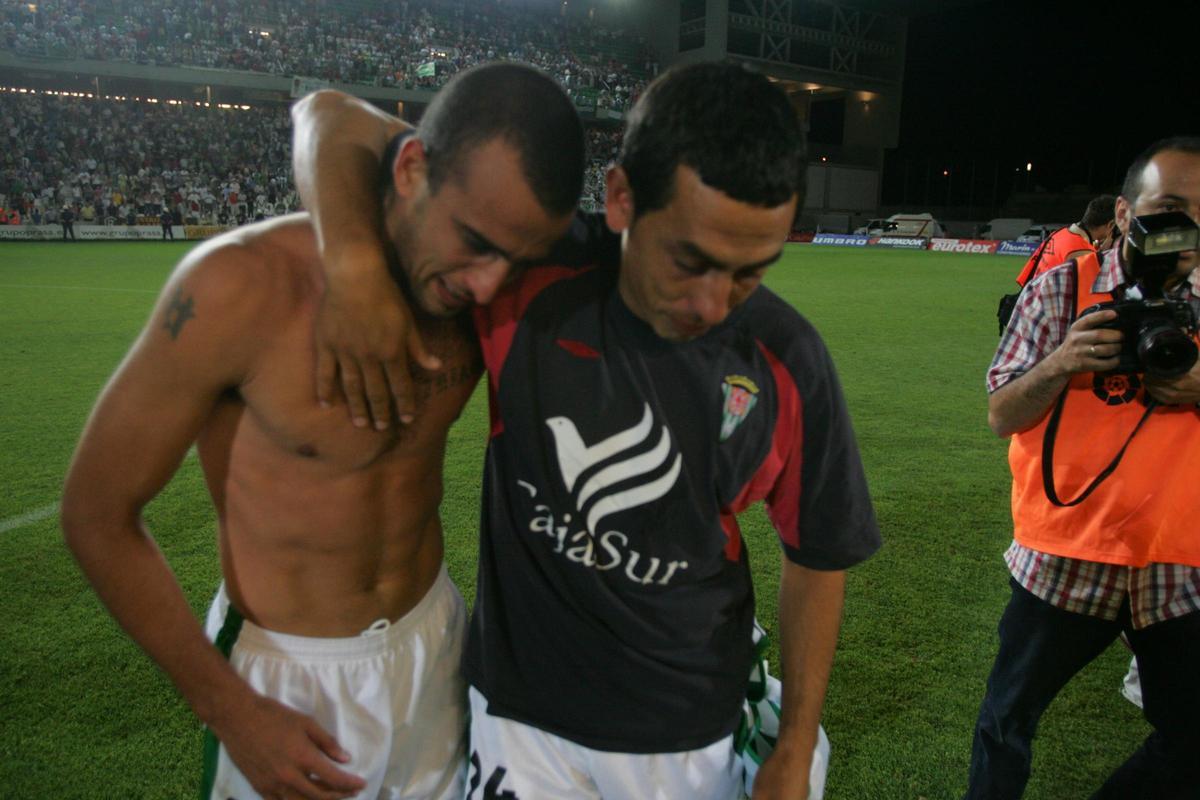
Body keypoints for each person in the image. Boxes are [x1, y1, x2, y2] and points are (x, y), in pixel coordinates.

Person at [296, 61, 881, 799]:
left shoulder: (788, 362)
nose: (712, 304)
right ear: (620, 197)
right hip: (520, 715)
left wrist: (795, 744)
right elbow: (330, 114)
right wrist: (350, 265)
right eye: (690, 260)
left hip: (688, 732)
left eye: (749, 274)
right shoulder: (525, 268)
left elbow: (819, 555)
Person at [60, 63, 583, 800]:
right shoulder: (236, 288)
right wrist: (231, 710)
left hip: (436, 643)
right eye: (473, 241)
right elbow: (95, 514)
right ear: (409, 169)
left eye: (516, 260)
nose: (490, 286)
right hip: (287, 678)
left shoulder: (478, 282)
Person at [967, 137, 1200, 799]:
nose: (1188, 228)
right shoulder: (1061, 288)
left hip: (1177, 558)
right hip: (1066, 551)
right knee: (1006, 725)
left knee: (1191, 742)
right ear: (1126, 214)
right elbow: (1002, 412)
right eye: (1172, 207)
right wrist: (1063, 362)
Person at [1014, 195, 1116, 287]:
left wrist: (1099, 253)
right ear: (1110, 224)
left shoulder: (1059, 233)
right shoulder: (1084, 252)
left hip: (1033, 300)